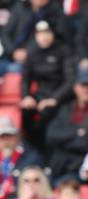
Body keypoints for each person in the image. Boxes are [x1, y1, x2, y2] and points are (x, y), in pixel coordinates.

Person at [20, 20, 75, 151]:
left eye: (47, 33)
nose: (44, 37)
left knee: (46, 115)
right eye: (40, 33)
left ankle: (46, 151)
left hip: (60, 95)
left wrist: (55, 99)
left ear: (53, 34)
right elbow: (25, 78)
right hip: (40, 94)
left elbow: (70, 80)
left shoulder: (63, 50)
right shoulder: (32, 52)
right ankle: (31, 150)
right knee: (26, 112)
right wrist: (26, 96)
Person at [46, 69, 88, 184]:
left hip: (80, 168)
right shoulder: (65, 108)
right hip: (58, 166)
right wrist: (77, 132)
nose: (87, 89)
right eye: (83, 85)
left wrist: (65, 137)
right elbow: (51, 135)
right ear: (75, 87)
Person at [0, 116, 44, 199]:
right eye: (2, 137)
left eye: (9, 136)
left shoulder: (30, 157)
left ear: (17, 136)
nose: (6, 140)